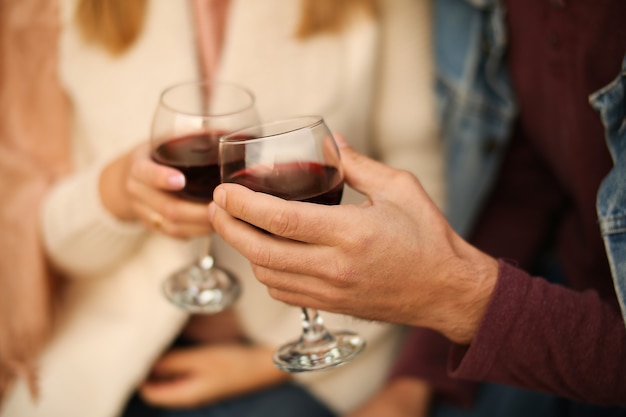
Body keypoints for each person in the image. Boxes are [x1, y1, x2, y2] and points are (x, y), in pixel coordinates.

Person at [0, 0, 443, 416]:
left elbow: (424, 211)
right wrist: (116, 191)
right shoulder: (63, 9)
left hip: (316, 363)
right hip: (109, 365)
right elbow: (46, 248)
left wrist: (264, 361)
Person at [207, 0, 626, 414]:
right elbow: (524, 182)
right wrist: (420, 372)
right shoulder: (493, 10)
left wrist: (453, 296)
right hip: (545, 302)